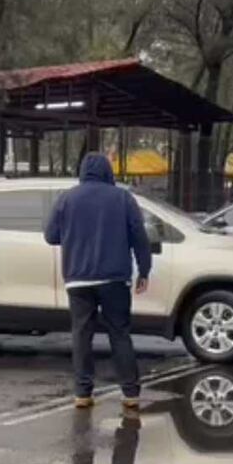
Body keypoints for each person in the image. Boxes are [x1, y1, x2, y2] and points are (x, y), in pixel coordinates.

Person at [45, 153, 152, 410]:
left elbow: (51, 236)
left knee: (82, 334)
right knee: (119, 333)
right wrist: (144, 270)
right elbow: (139, 236)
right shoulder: (123, 198)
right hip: (115, 278)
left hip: (78, 278)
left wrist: (73, 236)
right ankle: (130, 392)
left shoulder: (67, 199)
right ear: (107, 172)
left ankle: (82, 393)